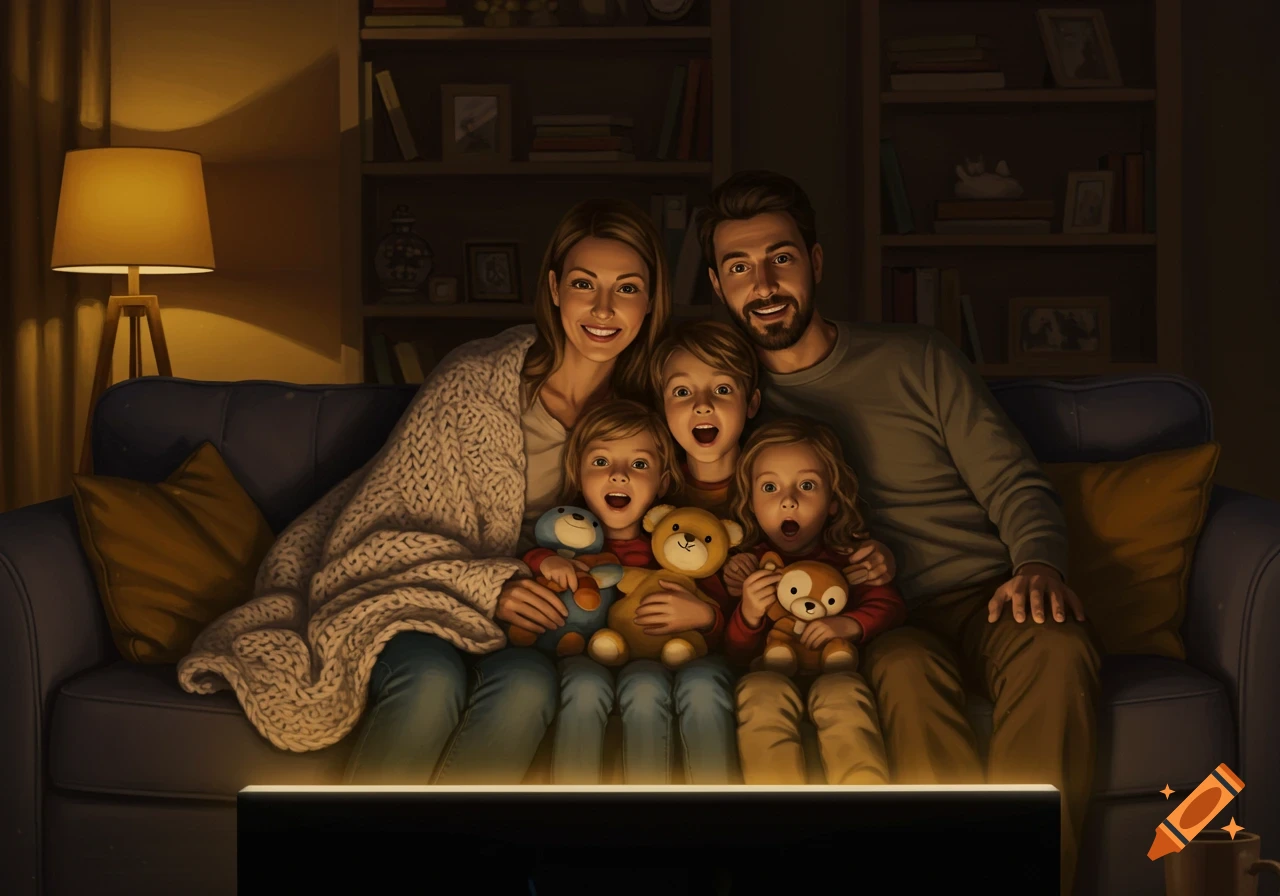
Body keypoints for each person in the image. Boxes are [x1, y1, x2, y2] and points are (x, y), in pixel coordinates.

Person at [698, 170, 1100, 896]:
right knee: (908, 677)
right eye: (739, 267)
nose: (764, 284)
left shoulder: (917, 357)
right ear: (717, 284)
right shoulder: (733, 405)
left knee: (1058, 645)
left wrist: (1038, 564)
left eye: (780, 258)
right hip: (877, 618)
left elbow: (1013, 481)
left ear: (815, 262)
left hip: (986, 593)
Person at [343, 198, 672, 785]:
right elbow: (381, 533)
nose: (603, 309)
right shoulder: (477, 382)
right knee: (430, 682)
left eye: (627, 288)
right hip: (428, 594)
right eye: (583, 284)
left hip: (546, 623)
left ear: (650, 301)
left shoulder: (655, 405)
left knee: (527, 684)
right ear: (553, 289)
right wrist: (490, 585)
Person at [527, 399, 739, 784]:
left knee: (648, 685)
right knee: (583, 684)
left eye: (639, 465)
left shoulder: (674, 547)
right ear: (577, 472)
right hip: (583, 659)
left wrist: (704, 616)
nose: (619, 475)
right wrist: (545, 562)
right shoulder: (568, 540)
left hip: (665, 660)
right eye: (601, 461)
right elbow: (528, 564)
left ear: (662, 481)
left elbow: (720, 612)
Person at [722, 417, 905, 785]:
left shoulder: (848, 558)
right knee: (758, 693)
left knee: (845, 696)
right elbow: (734, 653)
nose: (788, 500)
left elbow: (890, 606)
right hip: (769, 677)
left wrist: (848, 624)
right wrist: (750, 614)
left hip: (836, 674)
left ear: (833, 502)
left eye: (807, 486)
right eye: (770, 487)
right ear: (751, 503)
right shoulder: (749, 566)